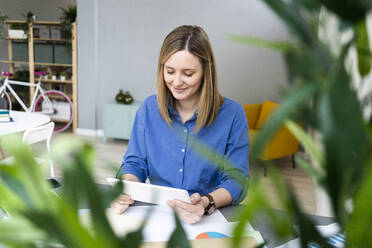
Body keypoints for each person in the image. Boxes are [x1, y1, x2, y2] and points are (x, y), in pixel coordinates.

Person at [111, 25, 249, 224]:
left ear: (205, 71)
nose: (176, 81)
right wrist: (127, 186)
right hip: (158, 216)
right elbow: (135, 163)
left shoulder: (233, 115)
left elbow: (237, 179)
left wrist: (206, 202)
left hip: (209, 217)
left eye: (188, 73)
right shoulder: (148, 109)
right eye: (170, 71)